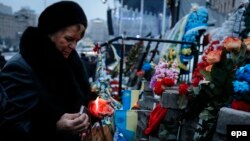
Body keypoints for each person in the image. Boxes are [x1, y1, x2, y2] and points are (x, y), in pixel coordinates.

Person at [0, 1, 98, 141]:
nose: (73, 46)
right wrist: (55, 126)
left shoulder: (68, 62)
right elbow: (10, 126)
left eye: (77, 41)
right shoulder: (21, 67)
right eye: (69, 39)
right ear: (50, 32)